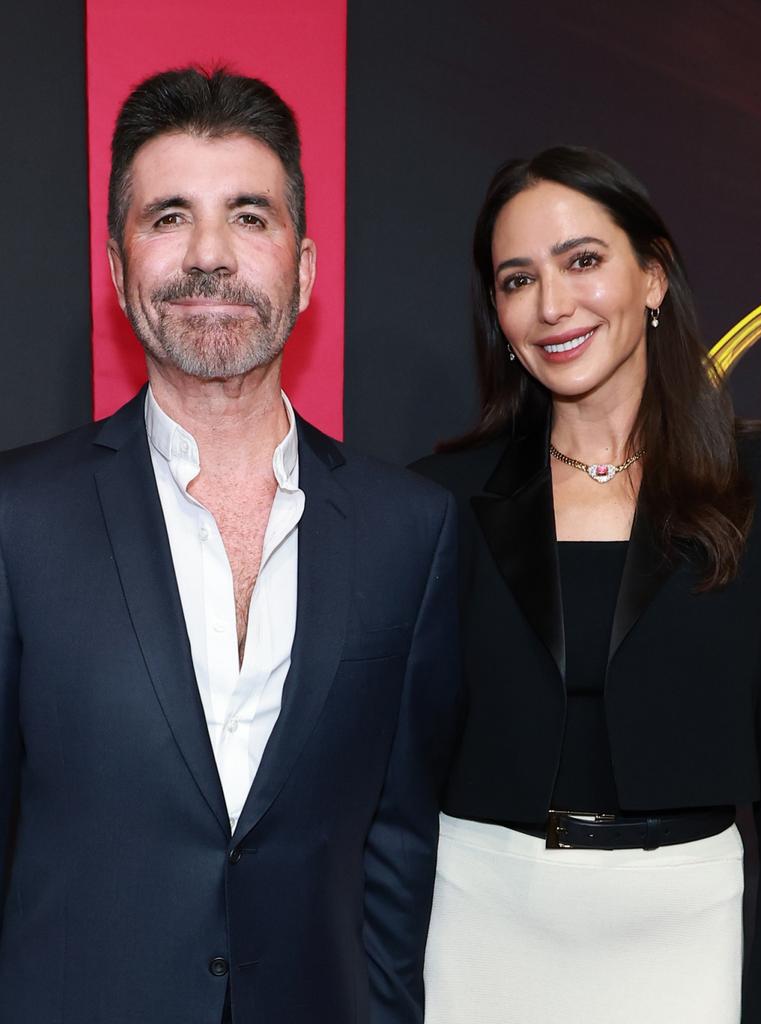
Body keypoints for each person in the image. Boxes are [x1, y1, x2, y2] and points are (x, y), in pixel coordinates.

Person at [0, 67, 461, 1024]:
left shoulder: (409, 530)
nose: (209, 254)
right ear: (120, 268)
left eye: (249, 216)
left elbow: (396, 848)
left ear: (304, 267)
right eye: (169, 216)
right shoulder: (17, 518)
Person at [412, 146, 761, 1024]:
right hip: (481, 923)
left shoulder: (754, 484)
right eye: (517, 279)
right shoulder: (439, 502)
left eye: (582, 261)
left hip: (687, 921)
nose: (552, 306)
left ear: (653, 275)